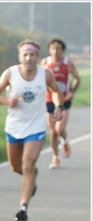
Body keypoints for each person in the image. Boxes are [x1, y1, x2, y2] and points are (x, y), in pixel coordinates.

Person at [0, 39, 64, 221]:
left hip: (36, 127)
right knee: (17, 167)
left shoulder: (45, 75)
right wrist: (7, 101)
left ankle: (23, 207)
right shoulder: (11, 73)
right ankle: (31, 179)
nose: (29, 58)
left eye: (32, 55)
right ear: (20, 57)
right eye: (25, 55)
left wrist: (59, 107)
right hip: (14, 127)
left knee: (28, 164)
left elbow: (56, 90)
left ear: (38, 57)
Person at [40, 37, 81, 169]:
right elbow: (39, 80)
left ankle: (66, 140)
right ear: (49, 50)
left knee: (59, 129)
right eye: (53, 48)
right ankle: (55, 157)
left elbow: (77, 79)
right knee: (52, 132)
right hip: (49, 99)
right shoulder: (45, 62)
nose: (55, 51)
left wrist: (72, 92)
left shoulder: (68, 63)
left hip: (65, 100)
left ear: (63, 50)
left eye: (58, 48)